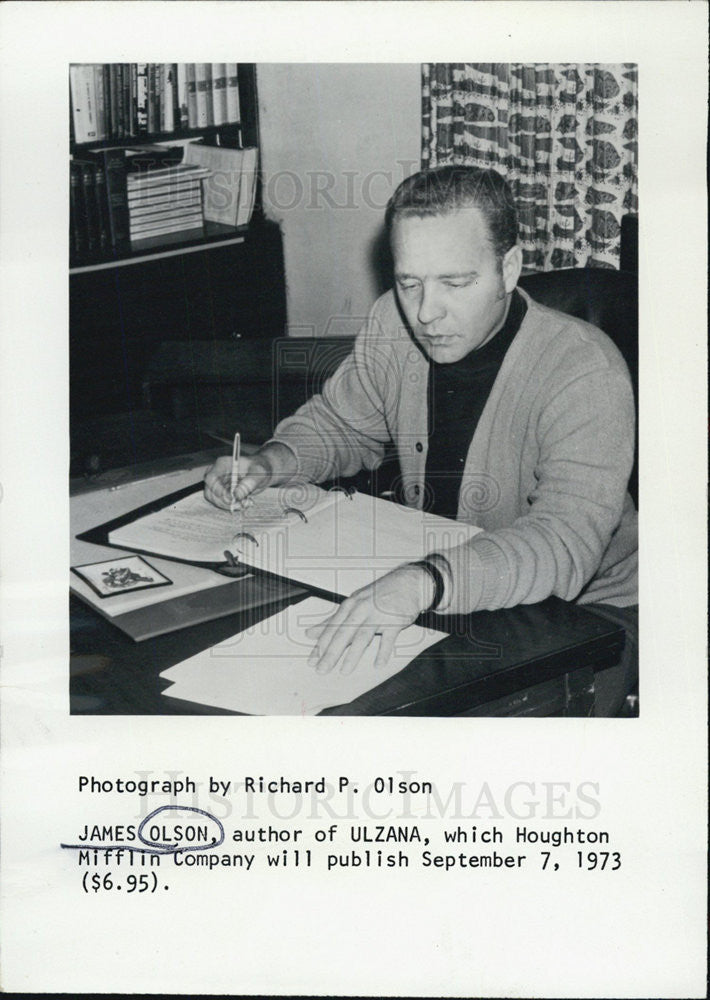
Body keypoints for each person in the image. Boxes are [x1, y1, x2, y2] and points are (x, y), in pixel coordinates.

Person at [204, 165, 638, 714]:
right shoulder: (394, 322)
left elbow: (562, 544)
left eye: (455, 283)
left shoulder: (583, 368)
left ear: (509, 268)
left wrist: (423, 582)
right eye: (410, 283)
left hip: (585, 618)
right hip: (446, 582)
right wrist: (272, 462)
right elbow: (343, 422)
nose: (427, 313)